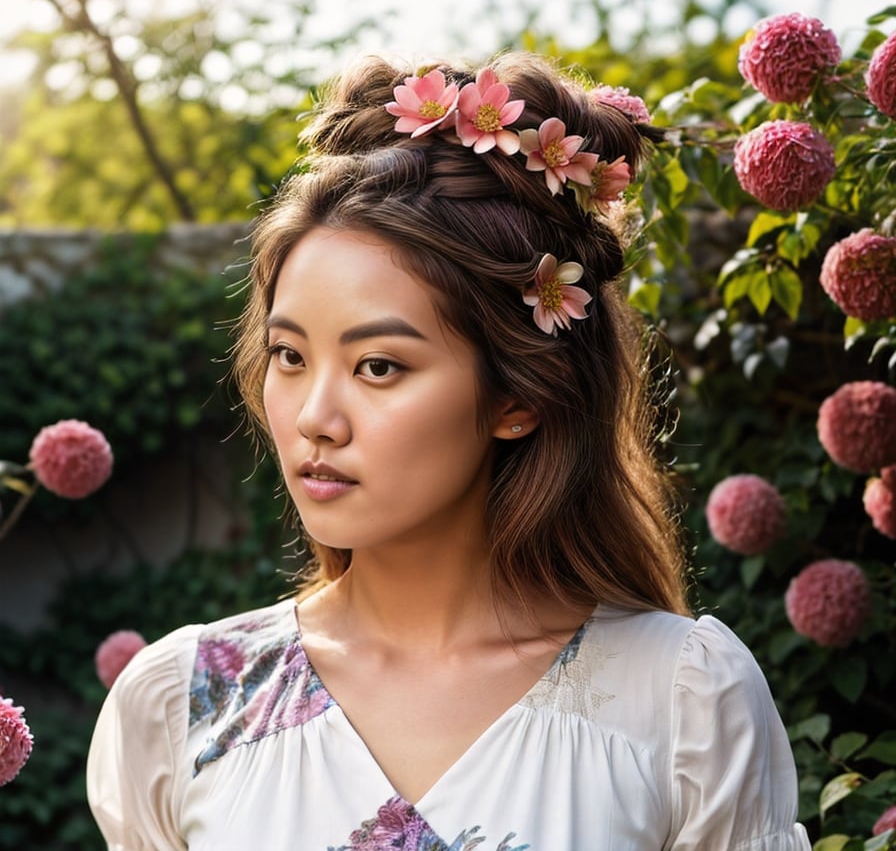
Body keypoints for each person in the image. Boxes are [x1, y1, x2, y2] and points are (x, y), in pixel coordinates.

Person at [87, 51, 811, 850]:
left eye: (378, 367)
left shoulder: (681, 703)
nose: (315, 418)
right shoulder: (182, 705)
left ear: (518, 396)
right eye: (289, 356)